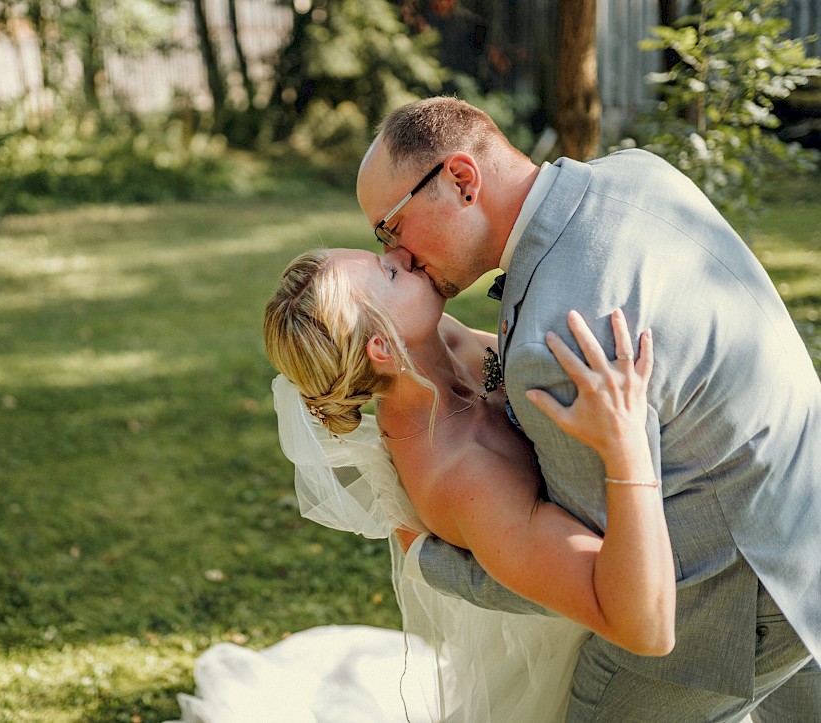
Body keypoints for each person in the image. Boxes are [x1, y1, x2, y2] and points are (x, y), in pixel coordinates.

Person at [355, 96, 821, 721]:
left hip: (735, 604)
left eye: (391, 228)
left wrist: (431, 557)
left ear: (462, 181)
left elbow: (600, 580)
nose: (398, 257)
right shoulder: (639, 173)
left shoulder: (558, 341)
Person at [257, 246, 673, 721]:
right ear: (384, 348)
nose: (402, 254)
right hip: (587, 660)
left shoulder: (432, 342)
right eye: (389, 273)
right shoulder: (461, 474)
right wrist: (625, 441)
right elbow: (644, 627)